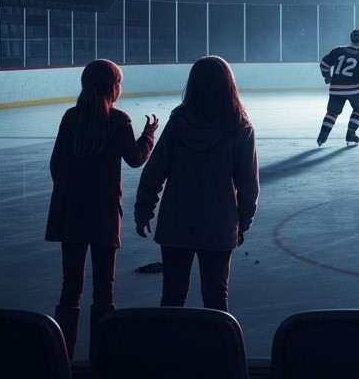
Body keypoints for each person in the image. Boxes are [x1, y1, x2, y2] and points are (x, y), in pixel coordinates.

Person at [45, 59, 158, 359]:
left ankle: (64, 357)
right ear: (113, 87)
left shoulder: (71, 118)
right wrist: (148, 135)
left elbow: (56, 165)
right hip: (104, 215)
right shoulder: (118, 120)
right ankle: (102, 358)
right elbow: (135, 159)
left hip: (71, 215)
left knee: (70, 288)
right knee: (104, 291)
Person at [133, 56, 259, 311]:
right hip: (219, 224)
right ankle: (215, 350)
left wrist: (143, 210)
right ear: (229, 85)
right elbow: (249, 186)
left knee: (172, 296)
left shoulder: (178, 122)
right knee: (216, 299)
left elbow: (154, 171)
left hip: (176, 222)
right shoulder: (241, 128)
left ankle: (170, 349)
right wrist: (242, 223)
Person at [317, 28, 359, 146]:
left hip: (336, 89)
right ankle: (351, 133)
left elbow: (324, 64)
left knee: (332, 112)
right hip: (355, 90)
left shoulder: (338, 51)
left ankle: (323, 135)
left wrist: (327, 76)